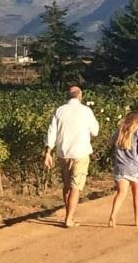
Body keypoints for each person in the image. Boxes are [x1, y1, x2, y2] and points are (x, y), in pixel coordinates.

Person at [44, 86, 99, 228]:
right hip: (80, 152)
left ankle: (68, 215)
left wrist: (48, 152)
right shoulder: (86, 111)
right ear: (80, 96)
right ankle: (69, 219)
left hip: (64, 152)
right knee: (76, 186)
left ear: (67, 96)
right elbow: (95, 131)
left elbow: (52, 132)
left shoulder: (59, 110)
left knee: (67, 185)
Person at [108, 111, 138, 227]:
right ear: (136, 122)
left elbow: (110, 143)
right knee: (137, 194)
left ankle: (113, 215)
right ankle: (137, 221)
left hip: (120, 168)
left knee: (121, 193)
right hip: (135, 168)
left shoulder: (119, 132)